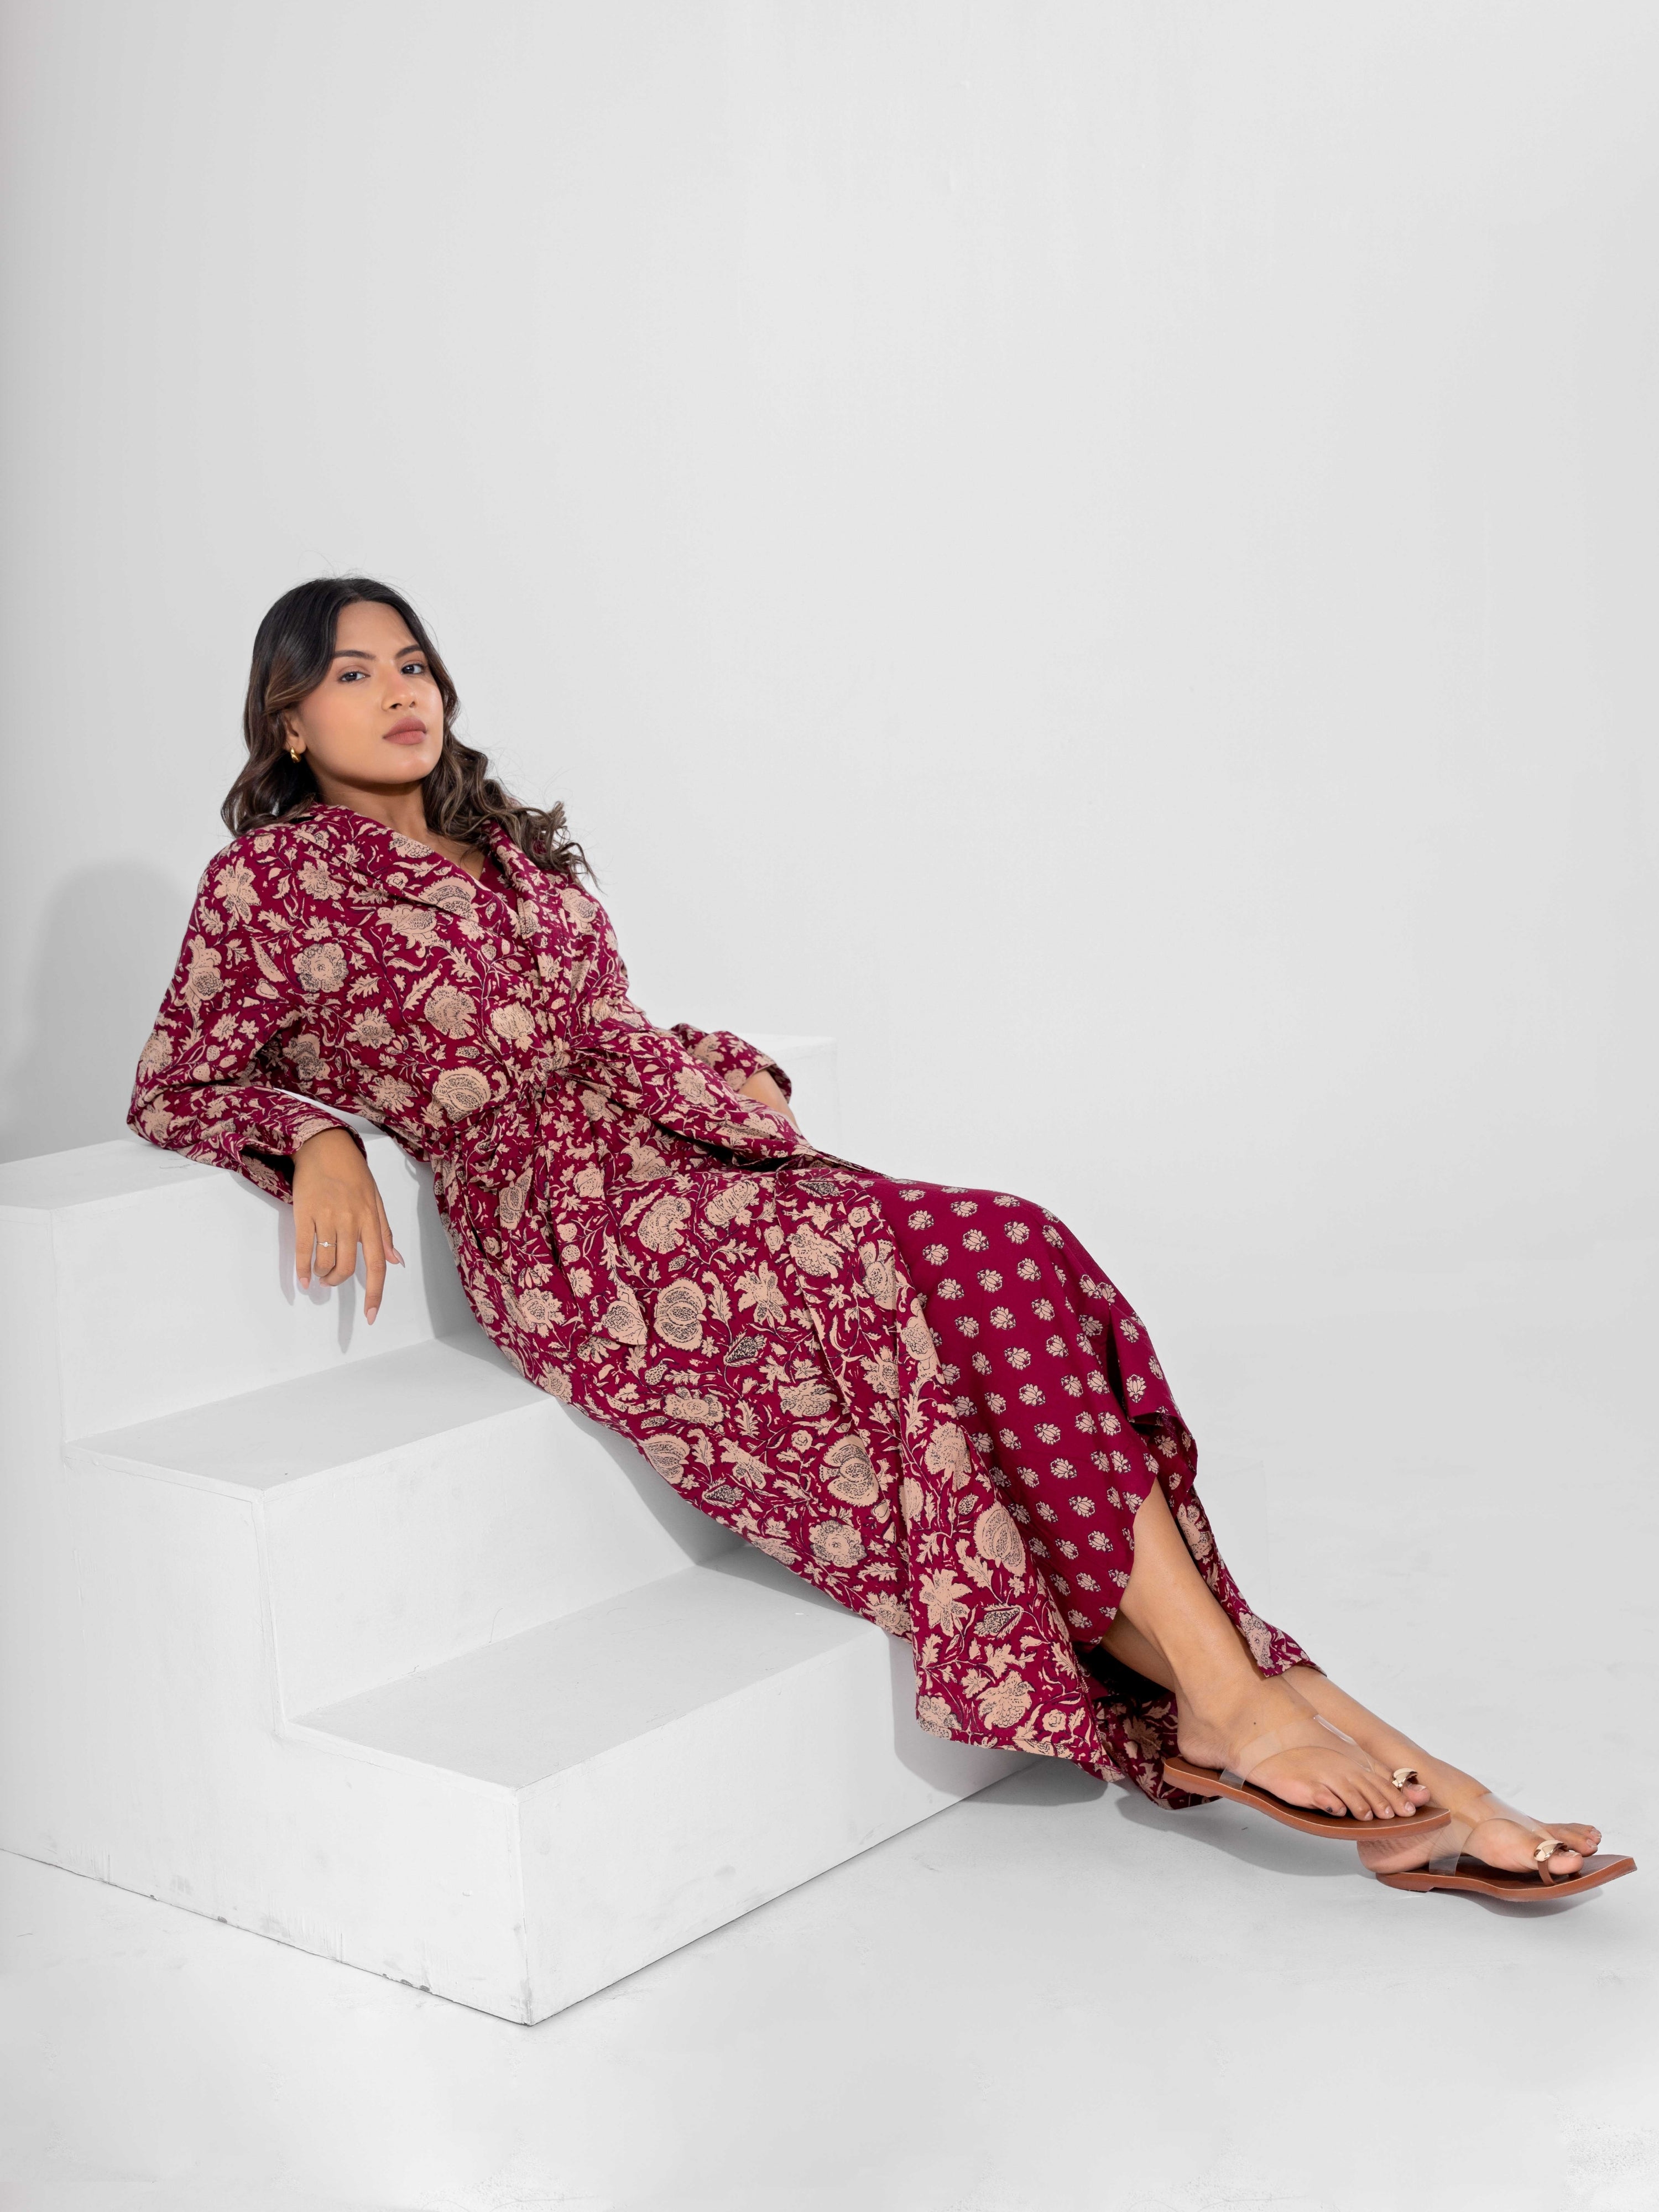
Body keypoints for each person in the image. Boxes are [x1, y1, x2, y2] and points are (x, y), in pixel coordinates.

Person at [129, 576, 1627, 1901]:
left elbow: (614, 1025)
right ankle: (1319, 1740)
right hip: (578, 1231)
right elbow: (177, 1079)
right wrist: (316, 1135)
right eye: (355, 673)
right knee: (941, 1283)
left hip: (701, 1160)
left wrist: (728, 1069)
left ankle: (1329, 1741)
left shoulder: (514, 851)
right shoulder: (270, 883)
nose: (402, 693)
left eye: (415, 665)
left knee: (1009, 1244)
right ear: (288, 717)